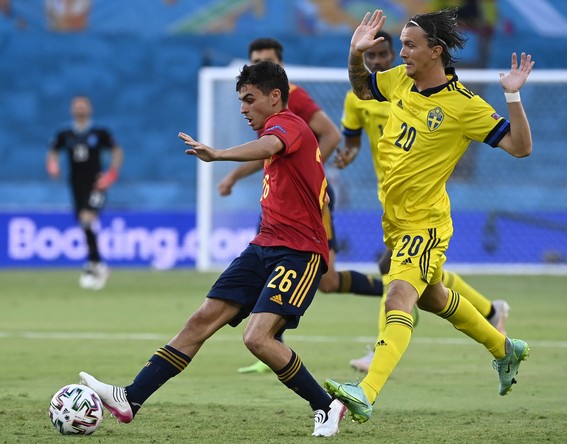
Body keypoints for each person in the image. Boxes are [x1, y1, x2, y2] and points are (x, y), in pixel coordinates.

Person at [79, 61, 347, 437]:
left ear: (275, 97)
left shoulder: (289, 124)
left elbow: (270, 144)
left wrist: (218, 154)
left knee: (257, 338)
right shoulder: (279, 134)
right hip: (264, 245)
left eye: (249, 99)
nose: (243, 109)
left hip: (299, 252)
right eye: (240, 101)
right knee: (200, 320)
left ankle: (326, 405)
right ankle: (131, 398)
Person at [325, 9, 533, 423]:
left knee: (398, 295)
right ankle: (504, 348)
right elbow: (363, 89)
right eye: (402, 44)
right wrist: (354, 53)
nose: (401, 52)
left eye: (410, 45)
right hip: (394, 219)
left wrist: (512, 96)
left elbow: (520, 147)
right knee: (434, 297)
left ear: (435, 51)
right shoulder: (400, 80)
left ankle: (365, 392)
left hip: (426, 223)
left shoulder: (463, 105)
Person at [335, 30, 510, 373]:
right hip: (390, 198)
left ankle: (379, 357)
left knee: (397, 276)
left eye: (385, 54)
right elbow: (352, 140)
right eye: (372, 57)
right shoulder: (363, 97)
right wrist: (348, 155)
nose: (380, 60)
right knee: (429, 283)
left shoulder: (417, 87)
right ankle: (493, 315)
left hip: (420, 204)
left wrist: (512, 96)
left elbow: (515, 144)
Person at [219, 37, 384, 374]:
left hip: (308, 200)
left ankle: (397, 291)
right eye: (255, 60)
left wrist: (308, 168)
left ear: (279, 65)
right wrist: (234, 175)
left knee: (327, 281)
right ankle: (267, 344)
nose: (259, 65)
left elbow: (331, 134)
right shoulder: (257, 104)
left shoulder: (293, 96)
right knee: (271, 263)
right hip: (279, 199)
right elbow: (269, 151)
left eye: (266, 60)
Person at [46, 95, 122, 290]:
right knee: (83, 222)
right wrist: (52, 164)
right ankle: (96, 263)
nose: (80, 109)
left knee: (87, 218)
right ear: (72, 110)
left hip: (96, 184)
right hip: (76, 185)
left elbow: (116, 151)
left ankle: (95, 265)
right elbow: (53, 151)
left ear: (89, 109)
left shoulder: (100, 132)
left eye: (83, 106)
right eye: (77, 106)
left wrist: (111, 174)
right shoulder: (65, 134)